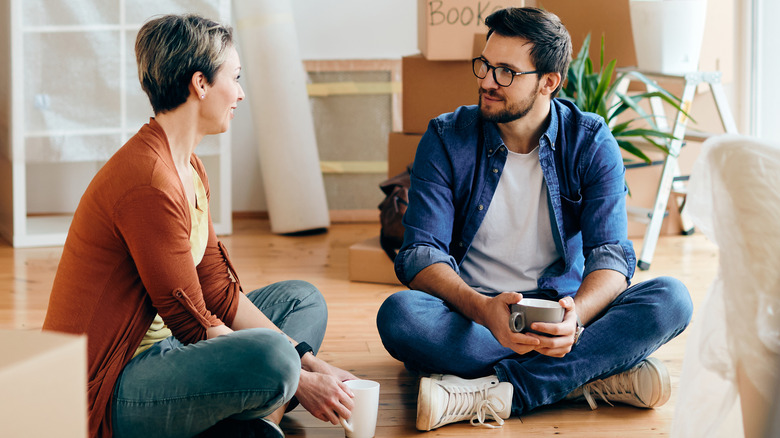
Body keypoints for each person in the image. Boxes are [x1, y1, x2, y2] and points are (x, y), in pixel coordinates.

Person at [376, 7, 694, 431]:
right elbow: (419, 254)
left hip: (558, 312)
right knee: (400, 316)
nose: (487, 81)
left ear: (549, 82)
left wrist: (575, 319)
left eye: (506, 71)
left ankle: (497, 393)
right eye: (485, 65)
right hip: (476, 316)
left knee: (672, 299)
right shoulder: (446, 137)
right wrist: (484, 309)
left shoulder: (591, 140)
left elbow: (612, 257)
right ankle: (590, 375)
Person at [42, 14, 356, 438]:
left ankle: (257, 414)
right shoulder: (149, 181)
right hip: (110, 386)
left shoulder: (188, 166)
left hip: (173, 350)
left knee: (302, 301)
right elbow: (195, 325)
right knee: (275, 360)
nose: (241, 93)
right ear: (200, 84)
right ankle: (260, 410)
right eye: (236, 77)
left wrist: (310, 361)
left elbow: (218, 294)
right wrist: (300, 377)